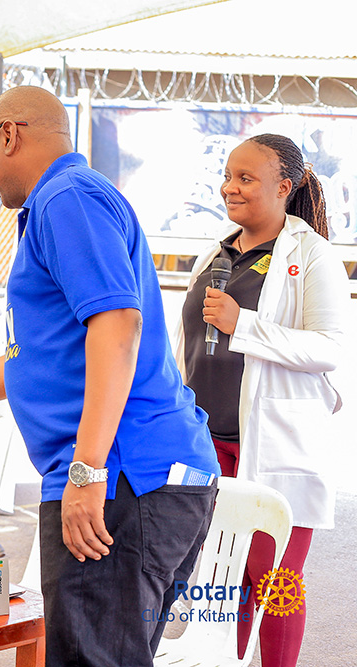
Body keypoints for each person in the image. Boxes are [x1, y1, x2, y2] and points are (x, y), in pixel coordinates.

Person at [0, 86, 221, 666]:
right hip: (142, 476)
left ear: (10, 135)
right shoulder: (68, 202)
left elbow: (118, 326)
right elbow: (38, 361)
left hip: (122, 477)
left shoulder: (65, 199)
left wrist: (87, 471)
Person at [175, 134, 350, 667]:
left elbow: (330, 348)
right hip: (208, 444)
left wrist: (242, 325)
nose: (230, 187)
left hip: (276, 447)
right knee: (224, 581)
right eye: (228, 176)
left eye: (246, 178)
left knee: (276, 582)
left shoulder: (312, 255)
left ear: (285, 186)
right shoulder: (219, 251)